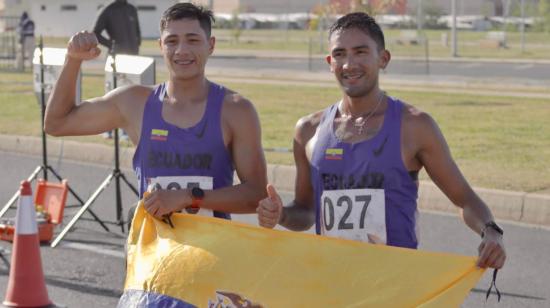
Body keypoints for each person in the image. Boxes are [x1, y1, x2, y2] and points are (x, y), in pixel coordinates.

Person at [256, 12, 506, 269]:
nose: (349, 64)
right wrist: (282, 214)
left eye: (361, 52)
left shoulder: (415, 126)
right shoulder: (308, 131)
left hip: (394, 285)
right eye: (340, 54)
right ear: (330, 62)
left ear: (383, 59)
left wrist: (491, 232)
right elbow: (306, 210)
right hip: (332, 281)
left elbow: (465, 199)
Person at [45, 3, 267, 221]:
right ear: (161, 46)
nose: (181, 50)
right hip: (151, 253)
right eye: (172, 41)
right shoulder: (134, 102)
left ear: (210, 45)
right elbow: (57, 124)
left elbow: (257, 195)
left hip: (211, 253)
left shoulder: (236, 110)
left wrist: (188, 197)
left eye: (192, 40)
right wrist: (73, 60)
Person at [93, 0, 141, 140]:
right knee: (113, 95)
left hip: (132, 59)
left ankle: (126, 131)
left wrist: (137, 43)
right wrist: (111, 45)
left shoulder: (132, 9)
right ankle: (108, 129)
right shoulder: (107, 9)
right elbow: (95, 32)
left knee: (131, 96)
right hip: (116, 60)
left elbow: (137, 31)